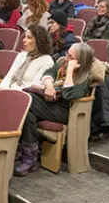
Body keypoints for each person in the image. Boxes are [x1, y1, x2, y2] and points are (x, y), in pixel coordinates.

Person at [16, 43, 103, 176]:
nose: (66, 58)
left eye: (71, 57)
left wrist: (70, 72)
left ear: (80, 61)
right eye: (67, 53)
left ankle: (28, 156)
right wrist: (49, 84)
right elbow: (48, 72)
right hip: (52, 105)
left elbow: (68, 95)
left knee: (28, 99)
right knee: (29, 112)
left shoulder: (86, 76)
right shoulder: (63, 62)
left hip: (66, 111)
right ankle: (30, 159)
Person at [0, 25, 55, 91]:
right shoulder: (22, 55)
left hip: (24, 94)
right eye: (25, 37)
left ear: (39, 41)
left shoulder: (47, 61)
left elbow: (35, 85)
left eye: (29, 37)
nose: (24, 40)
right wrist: (1, 89)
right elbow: (9, 76)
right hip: (9, 89)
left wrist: (10, 91)